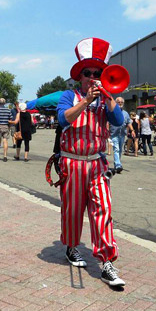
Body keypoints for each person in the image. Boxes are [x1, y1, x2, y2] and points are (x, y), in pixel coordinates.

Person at [56, 37, 125, 287]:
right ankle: (72, 246)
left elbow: (117, 121)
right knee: (73, 210)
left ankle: (107, 262)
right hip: (72, 163)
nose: (92, 77)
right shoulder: (69, 95)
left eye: (98, 73)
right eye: (88, 73)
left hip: (97, 164)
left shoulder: (106, 99)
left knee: (102, 209)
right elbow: (63, 120)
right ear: (80, 76)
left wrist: (108, 96)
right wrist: (86, 101)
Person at [109, 97, 134, 173]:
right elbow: (107, 122)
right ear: (115, 103)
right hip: (114, 133)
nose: (120, 103)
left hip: (122, 134)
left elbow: (128, 122)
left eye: (121, 102)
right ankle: (118, 165)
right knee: (116, 149)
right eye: (118, 102)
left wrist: (132, 130)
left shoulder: (126, 113)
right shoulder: (112, 111)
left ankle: (117, 164)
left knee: (120, 150)